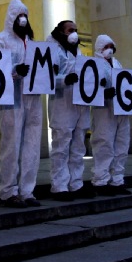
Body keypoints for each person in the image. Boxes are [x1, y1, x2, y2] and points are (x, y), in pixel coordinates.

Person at [0, 0, 42, 208]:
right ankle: (8, 190)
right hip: (12, 99)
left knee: (32, 145)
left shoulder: (32, 42)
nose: (22, 19)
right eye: (18, 15)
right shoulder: (0, 40)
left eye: (25, 15)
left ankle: (27, 190)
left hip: (34, 99)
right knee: (11, 144)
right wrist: (14, 72)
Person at [47, 20, 93, 200]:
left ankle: (76, 183)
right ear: (61, 32)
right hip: (62, 104)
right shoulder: (52, 50)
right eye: (70, 30)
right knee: (61, 147)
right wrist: (64, 80)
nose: (74, 33)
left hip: (79, 105)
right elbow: (47, 77)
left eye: (76, 29)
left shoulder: (77, 51)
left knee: (78, 146)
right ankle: (59, 186)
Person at [90, 35, 131, 196]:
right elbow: (89, 88)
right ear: (99, 48)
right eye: (106, 46)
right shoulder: (93, 64)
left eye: (111, 46)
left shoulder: (117, 63)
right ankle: (100, 180)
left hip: (121, 109)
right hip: (104, 110)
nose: (109, 49)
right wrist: (102, 92)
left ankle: (117, 180)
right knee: (104, 143)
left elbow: (125, 82)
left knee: (122, 144)